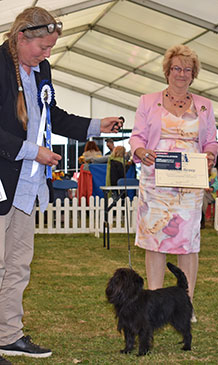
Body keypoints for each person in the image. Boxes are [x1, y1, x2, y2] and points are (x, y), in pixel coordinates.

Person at [0, 7, 123, 363]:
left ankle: (8, 334)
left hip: (26, 183)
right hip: (5, 177)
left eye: (51, 48)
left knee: (18, 265)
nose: (47, 54)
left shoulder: (42, 71)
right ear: (21, 36)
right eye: (42, 46)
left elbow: (55, 117)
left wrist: (99, 125)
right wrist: (31, 151)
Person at [129, 44, 218, 322]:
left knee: (188, 243)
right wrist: (140, 151)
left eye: (187, 69)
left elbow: (212, 141)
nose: (181, 73)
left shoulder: (205, 105)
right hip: (156, 181)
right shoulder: (147, 101)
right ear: (167, 71)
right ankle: (155, 302)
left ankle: (185, 305)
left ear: (193, 74)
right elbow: (136, 137)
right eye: (177, 68)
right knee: (155, 241)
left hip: (189, 184)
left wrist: (211, 156)